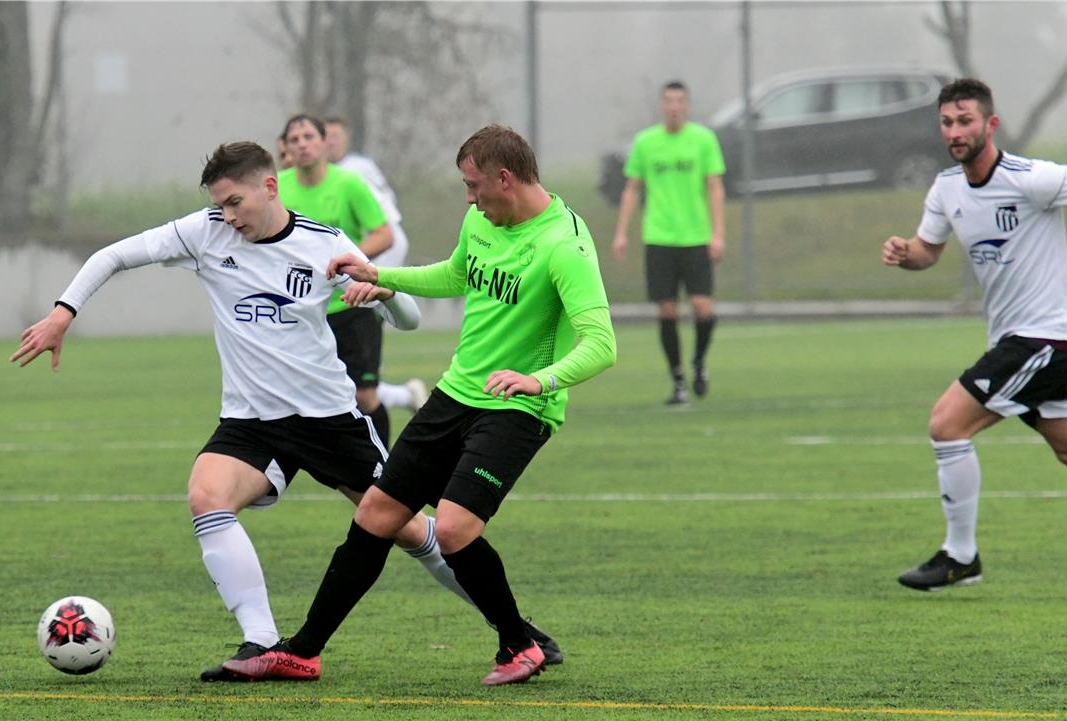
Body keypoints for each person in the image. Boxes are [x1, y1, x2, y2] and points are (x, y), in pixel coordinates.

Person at [9, 141, 533, 680]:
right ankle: (258, 640)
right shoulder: (204, 232)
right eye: (220, 206)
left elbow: (411, 319)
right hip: (251, 423)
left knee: (406, 529)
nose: (228, 216)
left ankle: (515, 631)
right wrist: (62, 314)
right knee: (206, 495)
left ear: (270, 186)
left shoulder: (323, 244)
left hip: (330, 420)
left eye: (235, 202)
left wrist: (384, 294)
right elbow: (113, 255)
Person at [264, 124, 617, 686]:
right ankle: (302, 650)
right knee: (376, 514)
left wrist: (540, 381)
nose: (469, 198)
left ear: (506, 178)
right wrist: (380, 274)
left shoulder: (564, 244)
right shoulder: (481, 219)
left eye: (474, 185)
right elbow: (454, 274)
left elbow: (602, 343)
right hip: (455, 394)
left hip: (515, 408)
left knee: (451, 528)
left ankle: (518, 646)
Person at [881, 78, 1067, 592]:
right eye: (947, 122)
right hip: (1017, 344)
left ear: (989, 124)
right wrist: (907, 254)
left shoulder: (1031, 178)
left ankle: (961, 556)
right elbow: (928, 251)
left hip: (1042, 341)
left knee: (947, 424)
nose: (955, 131)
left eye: (965, 120)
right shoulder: (946, 188)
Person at [278, 114, 416, 444]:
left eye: (308, 136)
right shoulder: (278, 188)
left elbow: (385, 234)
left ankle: (384, 468)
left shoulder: (349, 183)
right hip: (305, 311)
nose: (302, 144)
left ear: (324, 143)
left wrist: (349, 260)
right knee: (305, 399)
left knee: (365, 396)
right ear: (286, 148)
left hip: (354, 305)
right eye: (294, 140)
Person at [612, 80, 726, 406]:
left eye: (680, 100)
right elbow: (632, 188)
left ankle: (699, 363)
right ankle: (678, 381)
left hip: (695, 237)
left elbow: (715, 187)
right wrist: (622, 232)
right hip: (659, 237)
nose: (674, 106)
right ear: (662, 106)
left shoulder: (703, 140)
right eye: (668, 101)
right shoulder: (646, 142)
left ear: (687, 106)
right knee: (667, 309)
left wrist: (718, 234)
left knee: (703, 308)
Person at [325, 114, 429, 415]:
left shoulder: (351, 171)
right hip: (375, 252)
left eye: (335, 136)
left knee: (360, 378)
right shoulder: (353, 167)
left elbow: (386, 230)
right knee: (350, 377)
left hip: (381, 252)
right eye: (326, 136)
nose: (330, 142)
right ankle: (402, 394)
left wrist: (363, 266)